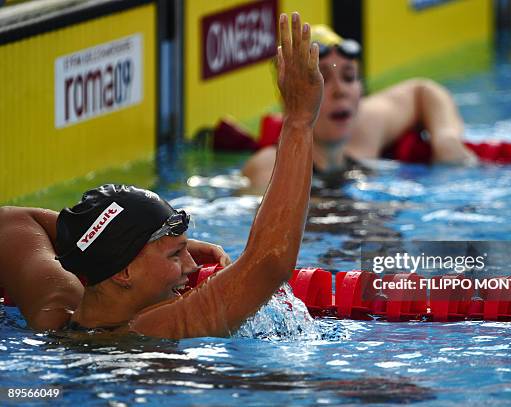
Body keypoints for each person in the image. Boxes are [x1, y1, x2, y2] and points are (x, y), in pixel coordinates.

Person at [0, 12, 323, 339]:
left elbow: (10, 220)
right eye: (174, 255)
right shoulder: (150, 330)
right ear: (125, 271)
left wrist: (98, 243)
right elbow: (270, 264)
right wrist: (299, 120)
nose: (192, 266)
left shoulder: (55, 310)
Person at [242, 24, 476, 190]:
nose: (340, 89)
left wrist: (446, 139)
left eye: (349, 76)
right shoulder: (271, 166)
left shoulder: (363, 131)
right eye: (322, 80)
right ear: (290, 97)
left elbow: (422, 91)